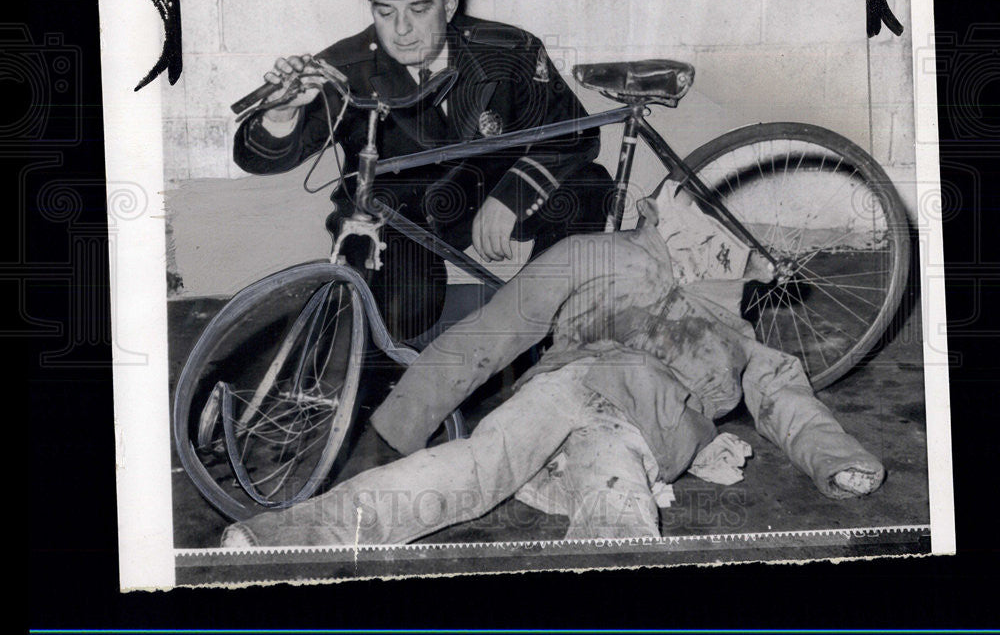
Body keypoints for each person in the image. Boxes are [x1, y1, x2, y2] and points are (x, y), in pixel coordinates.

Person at [221, 184, 885, 547]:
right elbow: (489, 334)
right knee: (467, 470)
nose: (705, 246)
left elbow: (785, 396)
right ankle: (284, 535)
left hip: (628, 433)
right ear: (660, 213)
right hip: (558, 395)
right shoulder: (598, 255)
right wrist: (396, 428)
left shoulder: (735, 328)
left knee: (615, 490)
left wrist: (834, 457)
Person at [234, 0, 612, 340]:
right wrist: (282, 113)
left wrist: (513, 195)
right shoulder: (346, 66)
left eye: (419, 9)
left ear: (448, 4)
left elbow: (574, 134)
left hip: (490, 190)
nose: (402, 30)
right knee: (401, 316)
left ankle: (544, 331)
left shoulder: (510, 50)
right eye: (385, 12)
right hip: (400, 213)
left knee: (587, 188)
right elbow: (262, 161)